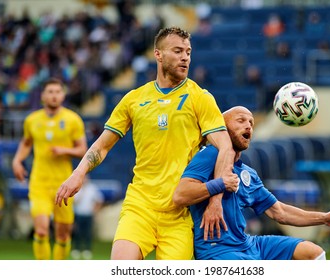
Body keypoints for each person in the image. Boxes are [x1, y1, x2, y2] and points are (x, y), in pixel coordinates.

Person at [55, 26, 236, 260]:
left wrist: (216, 200)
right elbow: (102, 145)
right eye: (178, 51)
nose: (185, 57)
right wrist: (78, 173)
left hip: (179, 213)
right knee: (122, 268)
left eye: (188, 52)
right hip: (140, 205)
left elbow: (225, 147)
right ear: (158, 55)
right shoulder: (133, 99)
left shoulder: (200, 97)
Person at [173, 106, 330, 260]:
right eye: (241, 120)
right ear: (223, 128)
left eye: (251, 122)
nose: (248, 126)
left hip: (248, 243)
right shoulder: (210, 154)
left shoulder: (247, 173)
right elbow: (181, 194)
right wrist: (219, 184)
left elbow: (279, 212)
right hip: (218, 249)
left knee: (314, 253)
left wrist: (324, 218)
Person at [12, 77, 87, 260]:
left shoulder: (73, 120)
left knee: (62, 234)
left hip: (64, 185)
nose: (54, 96)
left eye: (57, 92)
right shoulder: (32, 120)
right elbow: (26, 143)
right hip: (39, 183)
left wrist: (64, 150)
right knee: (42, 230)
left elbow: (83, 149)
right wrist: (17, 161)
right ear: (43, 96)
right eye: (50, 92)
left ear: (63, 95)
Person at [71, 176, 104, 260]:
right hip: (79, 214)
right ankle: (76, 250)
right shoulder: (77, 188)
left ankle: (87, 250)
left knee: (88, 233)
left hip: (88, 214)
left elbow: (99, 200)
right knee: (77, 232)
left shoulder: (92, 188)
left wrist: (95, 211)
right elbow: (74, 201)